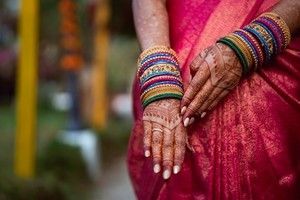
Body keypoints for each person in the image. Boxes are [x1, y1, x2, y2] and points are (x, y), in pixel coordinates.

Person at [127, 0, 300, 199]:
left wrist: (258, 39)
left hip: (284, 28)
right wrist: (158, 70)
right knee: (165, 139)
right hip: (171, 31)